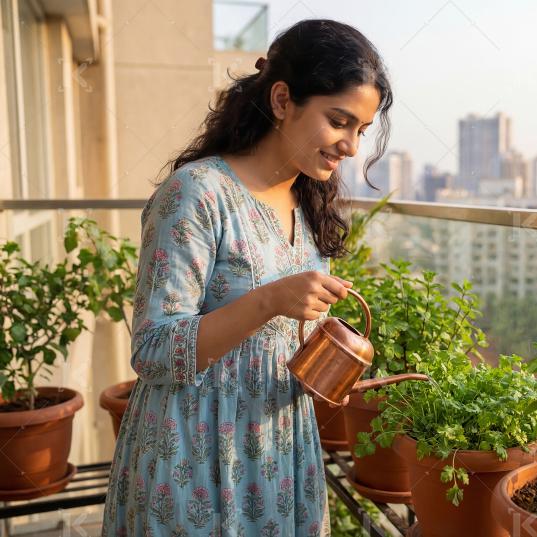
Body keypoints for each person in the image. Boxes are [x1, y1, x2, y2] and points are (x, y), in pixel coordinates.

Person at [101, 18, 393, 536]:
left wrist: (326, 366)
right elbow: (152, 349)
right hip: (193, 454)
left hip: (279, 453)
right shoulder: (197, 194)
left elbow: (279, 339)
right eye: (339, 121)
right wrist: (269, 300)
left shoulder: (308, 203)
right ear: (282, 100)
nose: (351, 146)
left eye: (361, 131)